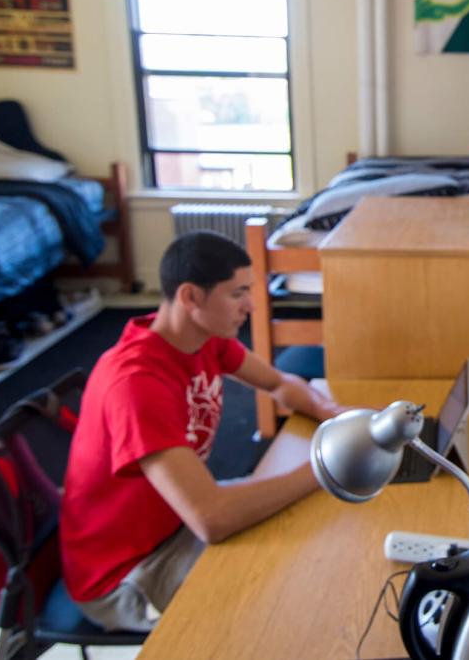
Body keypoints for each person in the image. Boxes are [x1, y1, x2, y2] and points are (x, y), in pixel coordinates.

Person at [60, 231, 350, 632]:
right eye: (237, 293)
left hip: (176, 520)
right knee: (285, 597)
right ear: (191, 297)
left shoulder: (201, 339)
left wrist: (333, 413)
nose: (250, 305)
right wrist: (326, 467)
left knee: (307, 532)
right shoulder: (136, 383)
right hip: (130, 573)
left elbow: (280, 383)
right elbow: (211, 518)